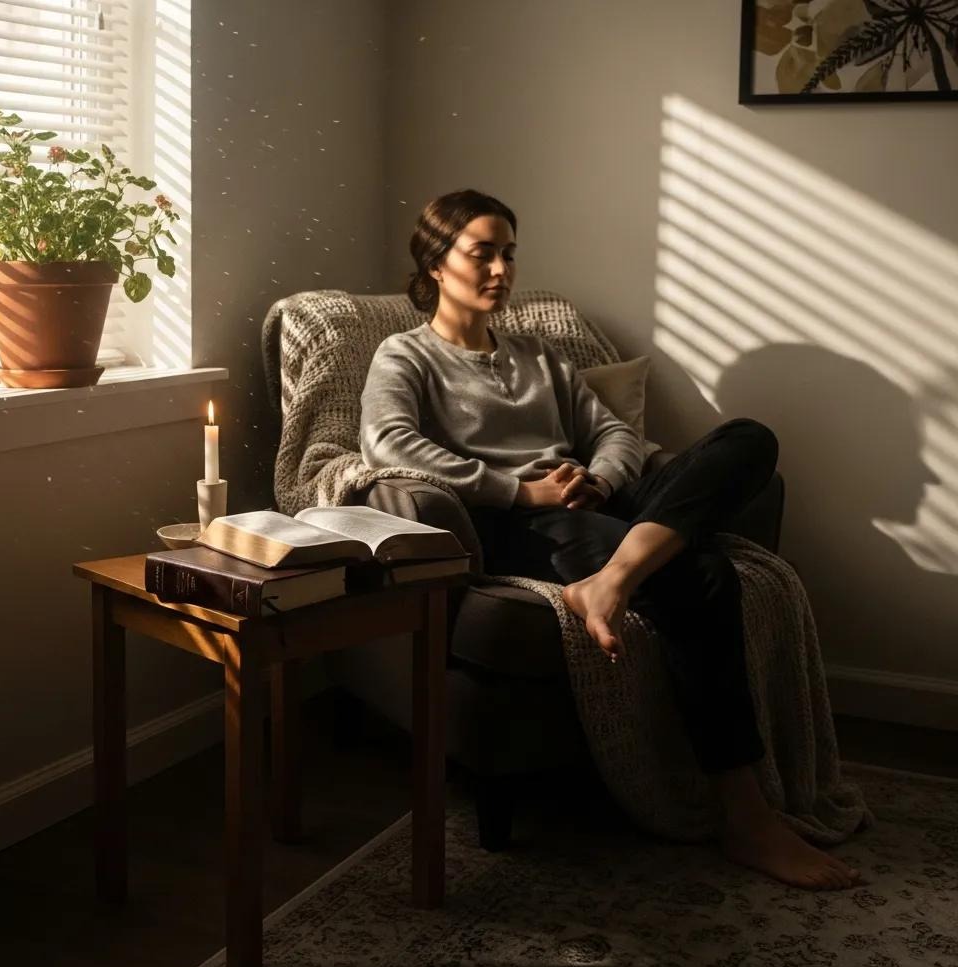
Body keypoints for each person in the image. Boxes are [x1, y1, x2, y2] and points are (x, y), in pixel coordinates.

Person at [359, 188, 864, 892]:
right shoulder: (406, 356)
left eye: (509, 253)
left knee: (750, 439)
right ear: (437, 264)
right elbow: (389, 445)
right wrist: (522, 488)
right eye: (483, 253)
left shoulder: (539, 353)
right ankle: (745, 818)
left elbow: (615, 432)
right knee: (704, 573)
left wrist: (599, 477)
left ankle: (616, 578)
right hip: (525, 524)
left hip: (599, 505)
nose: (501, 269)